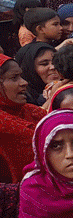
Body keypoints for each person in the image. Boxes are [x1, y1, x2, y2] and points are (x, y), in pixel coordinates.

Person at [0, 54, 45, 183]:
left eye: (21, 76)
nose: (24, 83)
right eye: (14, 78)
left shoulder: (33, 112)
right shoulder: (4, 125)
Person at [15, 42, 57, 106]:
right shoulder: (21, 98)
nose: (53, 67)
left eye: (56, 62)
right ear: (29, 69)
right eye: (44, 64)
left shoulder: (70, 86)